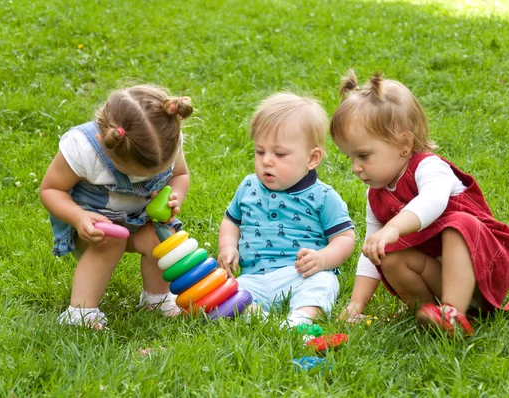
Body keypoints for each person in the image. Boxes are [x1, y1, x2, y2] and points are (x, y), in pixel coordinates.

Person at [330, 70, 509, 334]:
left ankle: (452, 313)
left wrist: (394, 227)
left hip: (483, 270)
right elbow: (370, 251)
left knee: (459, 225)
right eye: (350, 157)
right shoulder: (375, 194)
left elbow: (433, 201)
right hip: (439, 275)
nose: (355, 167)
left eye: (363, 155)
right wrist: (356, 303)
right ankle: (427, 312)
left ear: (404, 143)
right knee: (387, 257)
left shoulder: (429, 168)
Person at [40, 85, 193, 329]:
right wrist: (78, 218)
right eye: (137, 174)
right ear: (106, 146)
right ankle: (81, 312)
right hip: (93, 226)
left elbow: (181, 175)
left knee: (162, 239)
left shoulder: (165, 141)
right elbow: (51, 189)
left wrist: (174, 196)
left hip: (141, 220)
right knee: (110, 241)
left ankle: (157, 298)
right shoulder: (84, 149)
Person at [217, 93, 356, 328]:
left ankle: (301, 318)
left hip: (301, 273)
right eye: (260, 152)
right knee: (226, 294)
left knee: (323, 283)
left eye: (279, 154)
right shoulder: (248, 186)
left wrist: (322, 259)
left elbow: (345, 238)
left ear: (312, 158)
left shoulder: (322, 196)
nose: (267, 161)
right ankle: (258, 317)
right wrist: (228, 247)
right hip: (254, 277)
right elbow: (231, 222)